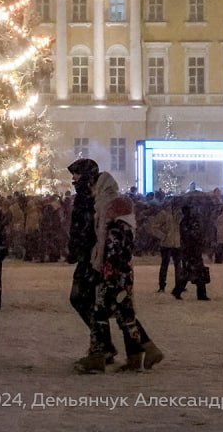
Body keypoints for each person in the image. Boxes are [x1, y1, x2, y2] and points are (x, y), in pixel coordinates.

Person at [74, 187, 165, 373]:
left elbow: (114, 255)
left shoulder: (117, 228)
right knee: (125, 316)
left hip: (113, 279)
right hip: (120, 278)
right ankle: (142, 352)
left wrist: (108, 277)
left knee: (102, 315)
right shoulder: (126, 226)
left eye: (111, 209)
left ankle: (100, 356)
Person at [65, 159, 115, 363]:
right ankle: (104, 344)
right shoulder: (86, 196)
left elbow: (88, 229)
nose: (73, 179)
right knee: (91, 301)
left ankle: (102, 346)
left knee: (83, 299)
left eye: (76, 174)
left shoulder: (89, 198)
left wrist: (79, 248)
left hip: (91, 256)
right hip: (89, 255)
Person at [172, 204, 210, 300]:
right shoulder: (186, 222)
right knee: (194, 271)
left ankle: (179, 290)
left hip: (193, 250)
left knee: (192, 271)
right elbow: (190, 236)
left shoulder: (191, 221)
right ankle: (200, 294)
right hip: (190, 250)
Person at [146, 201, 182, 293]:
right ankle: (162, 285)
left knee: (177, 266)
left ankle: (178, 284)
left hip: (176, 243)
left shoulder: (179, 215)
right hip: (167, 244)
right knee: (166, 265)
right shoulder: (164, 214)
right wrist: (163, 236)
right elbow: (153, 227)